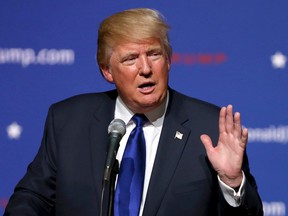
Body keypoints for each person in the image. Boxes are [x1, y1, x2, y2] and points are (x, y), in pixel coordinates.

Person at [4, 8, 263, 216]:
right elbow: (33, 198)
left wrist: (232, 182)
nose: (146, 68)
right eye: (130, 59)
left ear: (169, 60)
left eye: (154, 54)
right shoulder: (68, 120)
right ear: (107, 70)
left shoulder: (208, 126)